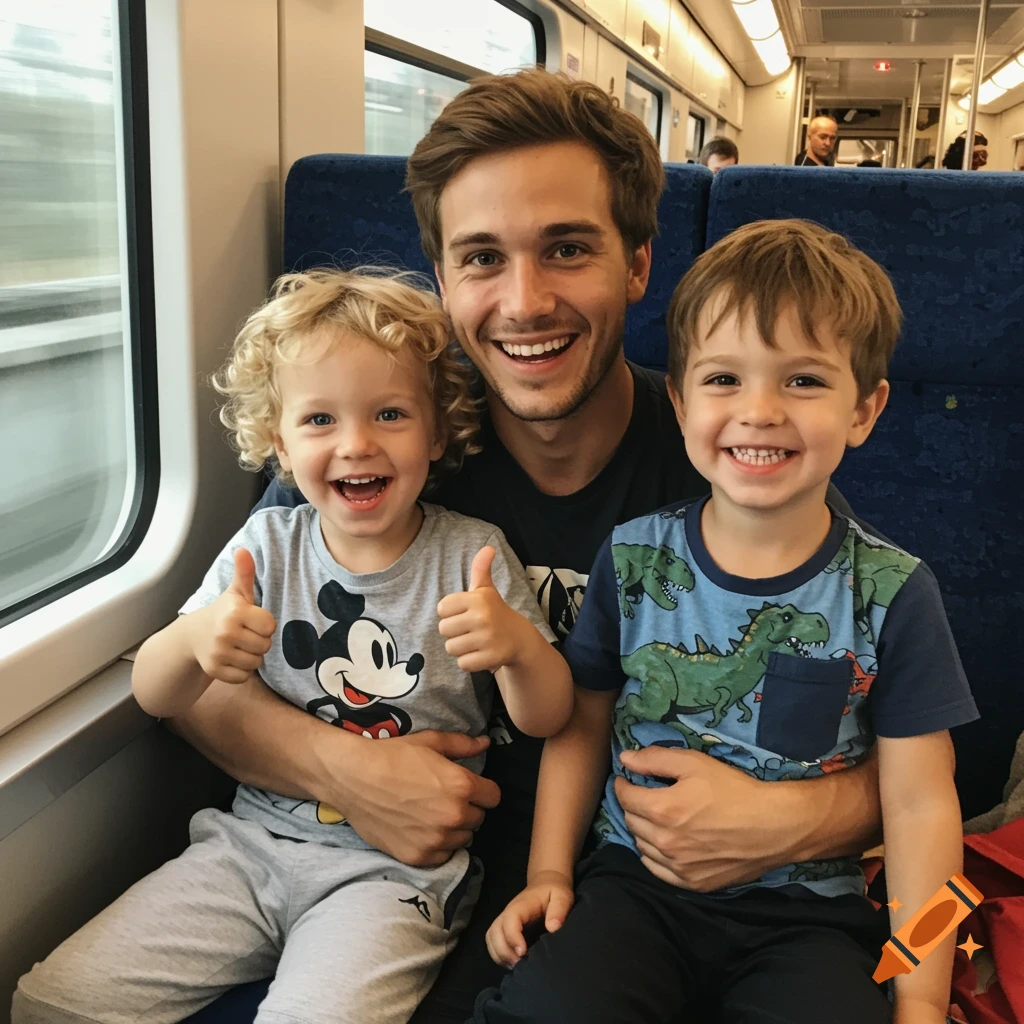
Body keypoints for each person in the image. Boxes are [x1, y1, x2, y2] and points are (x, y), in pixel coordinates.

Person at [88, 70, 887, 1024]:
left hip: (629, 893)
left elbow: (895, 741)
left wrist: (794, 818)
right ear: (442, 278)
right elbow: (204, 680)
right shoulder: (383, 447)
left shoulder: (732, 463)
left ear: (637, 265)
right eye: (480, 258)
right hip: (390, 871)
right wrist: (344, 772)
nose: (524, 301)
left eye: (567, 249)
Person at [12, 269, 573, 1024]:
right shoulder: (267, 546)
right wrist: (193, 641)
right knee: (52, 1000)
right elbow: (154, 691)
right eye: (319, 421)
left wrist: (515, 649)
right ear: (277, 439)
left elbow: (547, 717)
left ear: (437, 431)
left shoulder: (470, 554)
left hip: (393, 875)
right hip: (245, 849)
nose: (356, 443)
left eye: (389, 413)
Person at [475, 219, 979, 1024]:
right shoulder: (634, 558)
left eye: (805, 381)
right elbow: (580, 721)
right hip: (633, 889)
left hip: (809, 916)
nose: (761, 411)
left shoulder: (893, 591)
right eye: (723, 380)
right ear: (678, 401)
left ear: (865, 409)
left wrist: (920, 993)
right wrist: (549, 875)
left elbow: (924, 806)